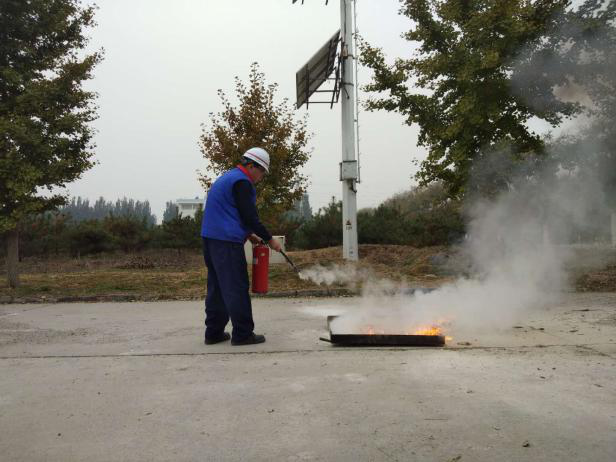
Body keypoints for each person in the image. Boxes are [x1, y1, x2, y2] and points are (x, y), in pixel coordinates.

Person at [200, 147, 282, 346]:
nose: (261, 177)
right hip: (227, 242)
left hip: (211, 239)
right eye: (262, 171)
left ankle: (213, 333)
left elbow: (227, 212)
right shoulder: (243, 182)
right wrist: (269, 238)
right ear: (252, 166)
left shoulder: (227, 178)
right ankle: (243, 334)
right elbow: (249, 216)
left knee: (217, 287)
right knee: (236, 287)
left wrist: (249, 235)